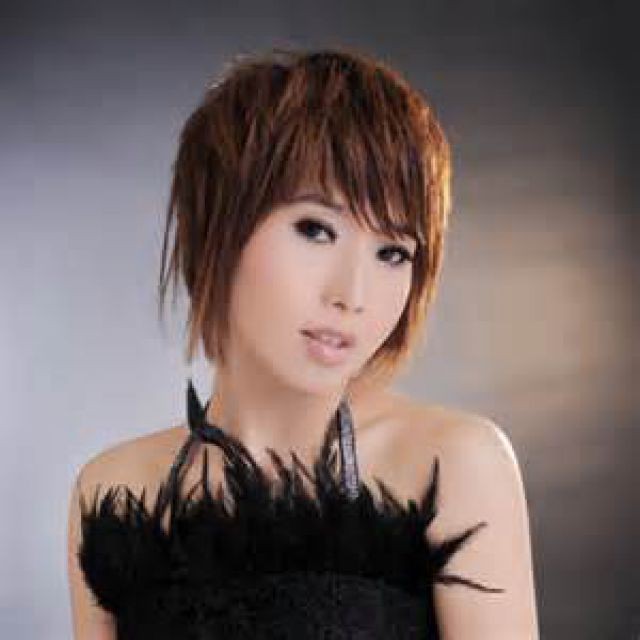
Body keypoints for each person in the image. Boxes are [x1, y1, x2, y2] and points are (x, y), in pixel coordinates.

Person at [67, 47, 539, 638]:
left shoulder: (453, 465)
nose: (353, 294)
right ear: (217, 228)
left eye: (393, 253)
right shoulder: (112, 494)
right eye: (316, 230)